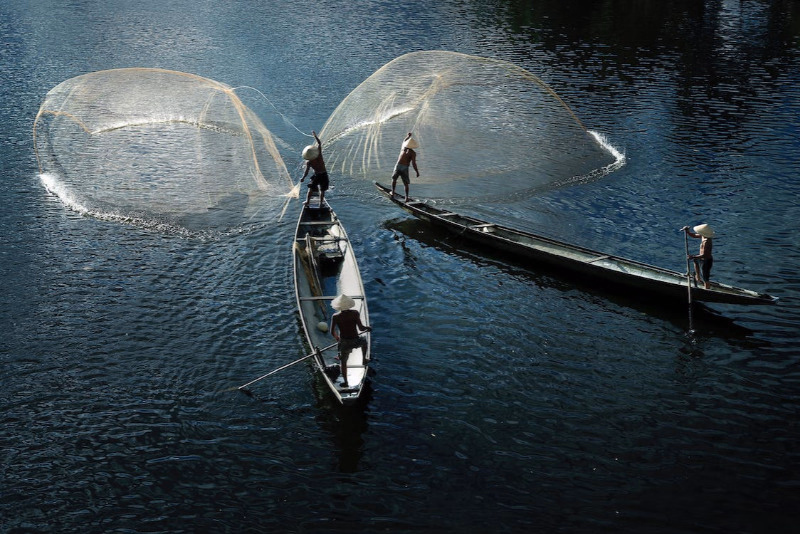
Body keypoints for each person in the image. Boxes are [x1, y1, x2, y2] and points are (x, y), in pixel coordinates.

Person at [329, 294, 372, 387]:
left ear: (339, 306)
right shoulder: (355, 313)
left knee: (343, 363)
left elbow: (332, 331)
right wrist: (367, 328)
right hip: (355, 340)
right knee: (364, 341)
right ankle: (364, 359)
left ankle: (346, 382)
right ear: (349, 305)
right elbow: (361, 328)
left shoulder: (335, 316)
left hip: (344, 342)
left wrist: (337, 338)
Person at [300, 130, 328, 208]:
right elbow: (319, 143)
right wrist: (315, 136)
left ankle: (308, 202)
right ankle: (320, 203)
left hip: (318, 175)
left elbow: (306, 171)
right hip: (323, 174)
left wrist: (303, 178)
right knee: (321, 190)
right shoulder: (318, 157)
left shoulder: (310, 161)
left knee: (312, 189)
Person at [683, 223, 714, 289]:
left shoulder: (707, 242)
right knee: (695, 261)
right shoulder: (703, 236)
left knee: (705, 277)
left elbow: (704, 255)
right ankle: (698, 278)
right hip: (701, 258)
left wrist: (692, 256)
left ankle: (707, 289)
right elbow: (694, 235)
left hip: (706, 261)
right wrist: (688, 232)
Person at [390, 132, 420, 202]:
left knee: (394, 179)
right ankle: (406, 198)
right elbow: (414, 163)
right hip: (405, 168)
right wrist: (417, 172)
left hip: (398, 166)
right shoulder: (413, 153)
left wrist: (408, 136)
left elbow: (404, 141)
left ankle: (393, 192)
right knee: (406, 184)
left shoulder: (403, 148)